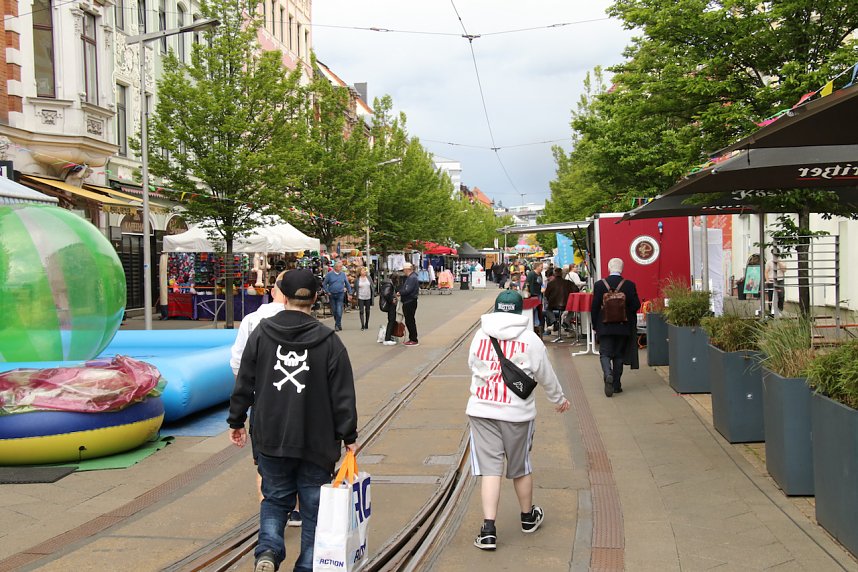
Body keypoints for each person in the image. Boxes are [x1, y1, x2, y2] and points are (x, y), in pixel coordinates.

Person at [227, 269, 358, 572]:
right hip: (317, 440)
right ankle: (308, 564)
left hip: (271, 435)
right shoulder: (329, 341)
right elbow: (343, 396)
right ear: (314, 298)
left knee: (274, 499)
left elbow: (243, 382)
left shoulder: (261, 333)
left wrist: (236, 421)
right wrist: (349, 436)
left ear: (282, 296)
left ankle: (269, 552)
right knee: (314, 509)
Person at [467, 289, 570, 551]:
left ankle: (488, 530)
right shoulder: (530, 339)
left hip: (481, 411)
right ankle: (527, 518)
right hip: (517, 414)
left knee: (490, 470)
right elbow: (546, 375)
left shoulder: (480, 334)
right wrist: (559, 400)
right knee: (520, 466)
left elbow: (473, 365)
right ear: (520, 310)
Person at [230, 271, 295, 518]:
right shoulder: (305, 321)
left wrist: (241, 409)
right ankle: (296, 510)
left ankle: (271, 513)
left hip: (262, 401)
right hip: (296, 399)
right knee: (294, 456)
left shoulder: (251, 321)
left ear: (273, 291)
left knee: (264, 462)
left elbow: (237, 365)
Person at [590, 258, 641, 397]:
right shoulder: (629, 285)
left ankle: (608, 374)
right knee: (618, 355)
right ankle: (617, 385)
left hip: (604, 326)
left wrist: (595, 325)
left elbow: (594, 307)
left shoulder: (600, 285)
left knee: (605, 354)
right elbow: (636, 305)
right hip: (622, 327)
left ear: (608, 268)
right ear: (622, 269)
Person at [542, 267, 578, 334]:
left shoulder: (550, 284)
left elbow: (546, 295)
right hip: (566, 305)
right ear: (562, 274)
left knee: (547, 310)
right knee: (572, 309)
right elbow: (576, 289)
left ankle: (554, 322)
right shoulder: (568, 282)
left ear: (554, 274)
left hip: (553, 305)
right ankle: (566, 321)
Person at [321, 260, 353, 331]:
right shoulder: (329, 274)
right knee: (334, 311)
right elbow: (324, 284)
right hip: (332, 294)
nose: (341, 268)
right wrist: (327, 291)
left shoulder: (343, 274)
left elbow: (347, 284)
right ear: (335, 267)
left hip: (340, 293)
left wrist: (350, 293)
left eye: (341, 266)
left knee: (339, 310)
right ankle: (338, 323)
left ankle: (337, 325)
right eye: (340, 266)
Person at [398, 262, 420, 346]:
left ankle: (413, 339)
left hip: (409, 301)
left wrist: (400, 292)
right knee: (410, 320)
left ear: (407, 269)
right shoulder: (412, 277)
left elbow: (408, 290)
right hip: (410, 300)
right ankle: (413, 338)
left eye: (404, 269)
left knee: (410, 320)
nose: (403, 271)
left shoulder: (411, 278)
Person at [525, 262, 544, 335]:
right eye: (541, 267)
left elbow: (541, 283)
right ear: (536, 267)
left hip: (538, 294)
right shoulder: (531, 274)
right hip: (533, 295)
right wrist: (529, 293)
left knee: (538, 309)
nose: (542, 268)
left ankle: (536, 323)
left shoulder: (540, 274)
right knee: (534, 309)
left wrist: (542, 288)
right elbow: (528, 284)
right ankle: (535, 323)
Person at [765, 249, 787, 313]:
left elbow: (784, 270)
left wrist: (778, 262)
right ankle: (771, 310)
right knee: (771, 295)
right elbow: (766, 272)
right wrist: (767, 280)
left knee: (781, 294)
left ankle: (780, 309)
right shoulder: (769, 262)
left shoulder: (782, 261)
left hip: (780, 280)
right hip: (771, 280)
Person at [379, 273, 398, 346]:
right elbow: (387, 294)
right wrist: (392, 300)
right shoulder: (389, 285)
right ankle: (388, 338)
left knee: (391, 320)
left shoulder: (387, 284)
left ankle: (389, 337)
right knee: (391, 320)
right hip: (389, 305)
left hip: (388, 304)